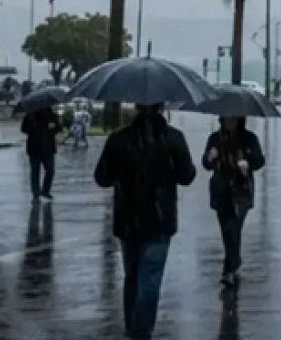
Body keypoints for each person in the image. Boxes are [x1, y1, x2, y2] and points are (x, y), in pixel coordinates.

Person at [94, 104, 197, 339]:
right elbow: (187, 176)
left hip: (128, 220)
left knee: (132, 275)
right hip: (159, 220)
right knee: (150, 278)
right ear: (161, 106)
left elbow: (102, 178)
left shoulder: (119, 139)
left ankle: (133, 327)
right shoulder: (173, 138)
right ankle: (141, 332)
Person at [202, 116, 266, 286]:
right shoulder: (215, 139)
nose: (229, 122)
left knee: (234, 227)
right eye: (226, 119)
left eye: (233, 119)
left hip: (241, 191)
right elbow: (206, 164)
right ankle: (234, 260)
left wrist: (248, 163)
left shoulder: (249, 139)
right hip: (220, 191)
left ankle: (228, 269)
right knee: (226, 230)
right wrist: (210, 157)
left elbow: (260, 160)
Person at [21, 106, 60, 202]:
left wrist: (53, 128)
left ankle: (45, 191)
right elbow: (23, 129)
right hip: (34, 148)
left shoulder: (51, 115)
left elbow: (58, 128)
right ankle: (36, 192)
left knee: (50, 171)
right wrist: (31, 126)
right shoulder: (30, 115)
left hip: (48, 148)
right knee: (35, 172)